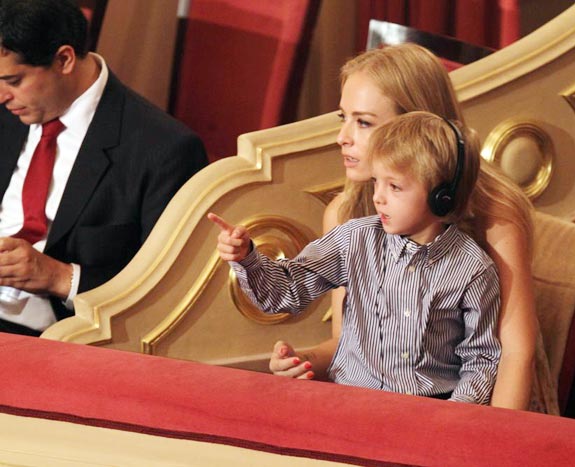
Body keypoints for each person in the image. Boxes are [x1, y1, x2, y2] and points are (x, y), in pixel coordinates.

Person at [268, 44, 539, 411]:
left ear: (414, 127)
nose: (342, 137)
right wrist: (304, 360)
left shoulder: (497, 213)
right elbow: (349, 344)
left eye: (363, 122)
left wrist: (484, 444)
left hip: (483, 409)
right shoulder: (345, 213)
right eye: (342, 118)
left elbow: (514, 355)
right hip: (380, 409)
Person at [211, 111, 501, 403]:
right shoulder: (355, 239)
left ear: (443, 197)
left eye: (395, 187)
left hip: (429, 409)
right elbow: (286, 291)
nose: (378, 197)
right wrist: (247, 257)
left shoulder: (474, 269)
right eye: (376, 181)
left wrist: (452, 419)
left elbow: (481, 361)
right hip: (350, 400)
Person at [0, 0, 208, 336]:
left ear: (64, 60)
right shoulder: (11, 113)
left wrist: (55, 276)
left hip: (62, 335)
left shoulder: (164, 150)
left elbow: (170, 294)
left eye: (13, 80)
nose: (1, 95)